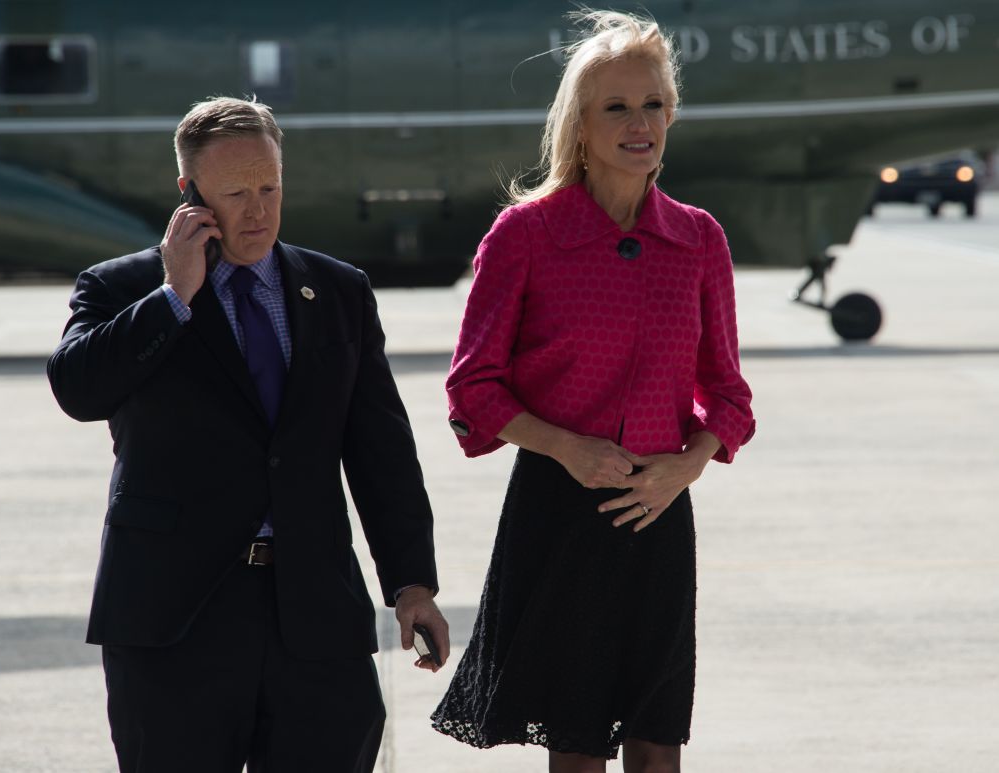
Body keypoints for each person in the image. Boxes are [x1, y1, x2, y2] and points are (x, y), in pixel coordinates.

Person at [47, 96, 449, 773]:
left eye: (270, 186)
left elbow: (380, 447)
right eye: (236, 192)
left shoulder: (338, 290)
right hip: (174, 619)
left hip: (315, 618)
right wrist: (174, 296)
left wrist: (412, 582)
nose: (258, 209)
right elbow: (77, 389)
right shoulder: (123, 290)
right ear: (190, 194)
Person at [431, 11, 754, 773]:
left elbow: (730, 394)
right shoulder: (525, 235)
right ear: (579, 125)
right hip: (558, 511)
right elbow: (473, 385)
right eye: (616, 107)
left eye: (653, 106)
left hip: (660, 513)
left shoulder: (700, 238)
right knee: (574, 747)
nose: (639, 124)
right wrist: (566, 447)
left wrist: (691, 461)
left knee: (658, 742)